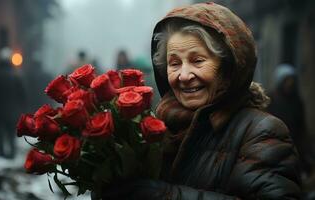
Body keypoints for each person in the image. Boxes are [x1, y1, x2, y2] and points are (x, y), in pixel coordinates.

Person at [97, 2, 301, 199]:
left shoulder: (262, 131)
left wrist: (162, 195)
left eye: (197, 61)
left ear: (227, 68)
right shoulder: (156, 129)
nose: (184, 75)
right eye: (174, 63)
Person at [268, 64, 311, 174]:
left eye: (292, 80)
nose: (290, 83)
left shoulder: (297, 101)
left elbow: (301, 127)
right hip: (275, 145)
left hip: (293, 144)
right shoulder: (271, 99)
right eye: (287, 80)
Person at [0, 47, 26, 159]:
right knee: (11, 135)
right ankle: (12, 154)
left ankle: (1, 153)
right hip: (12, 112)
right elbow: (22, 95)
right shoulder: (16, 77)